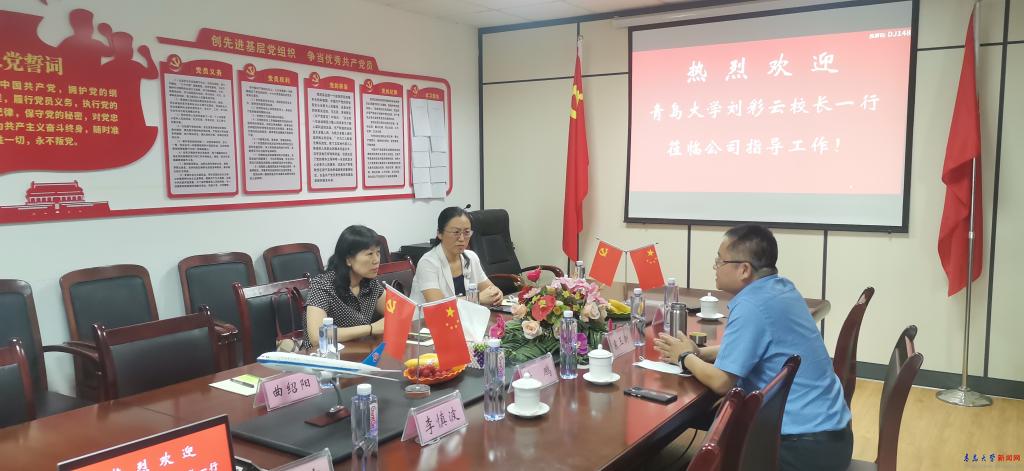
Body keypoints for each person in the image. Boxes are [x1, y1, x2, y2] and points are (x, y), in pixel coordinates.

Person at [653, 224, 852, 471]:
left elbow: (722, 382)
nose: (715, 267)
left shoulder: (751, 305)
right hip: (832, 437)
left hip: (801, 450)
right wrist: (700, 353)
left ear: (744, 269)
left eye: (720, 261)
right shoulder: (781, 288)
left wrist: (684, 357)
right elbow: (758, 347)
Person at [304, 225, 387, 348]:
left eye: (378, 252)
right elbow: (317, 336)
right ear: (348, 259)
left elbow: (396, 313)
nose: (376, 260)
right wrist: (371, 328)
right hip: (324, 355)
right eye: (370, 254)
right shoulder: (323, 285)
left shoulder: (370, 283)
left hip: (359, 350)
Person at [411, 206, 503, 305]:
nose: (462, 239)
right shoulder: (428, 263)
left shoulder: (471, 257)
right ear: (440, 233)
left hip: (466, 314)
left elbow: (490, 289)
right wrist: (477, 298)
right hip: (429, 315)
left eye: (467, 232)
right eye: (456, 232)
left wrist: (497, 294)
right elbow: (438, 305)